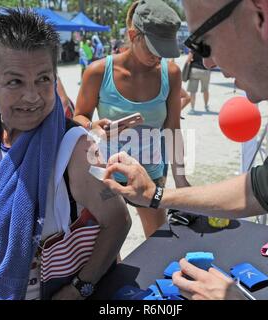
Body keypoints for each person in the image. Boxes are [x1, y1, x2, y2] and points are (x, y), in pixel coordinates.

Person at [102, 0, 268, 300]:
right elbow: (264, 185)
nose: (209, 63)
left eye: (202, 44)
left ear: (260, 14)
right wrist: (158, 196)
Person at [0, 9, 130, 300]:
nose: (33, 96)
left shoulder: (77, 148)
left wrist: (81, 286)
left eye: (43, 79)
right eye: (15, 82)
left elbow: (118, 221)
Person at [74, 0, 190, 239]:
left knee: (158, 243)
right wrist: (92, 126)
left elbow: (173, 129)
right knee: (107, 248)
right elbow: (78, 116)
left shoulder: (171, 73)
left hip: (152, 174)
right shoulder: (97, 71)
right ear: (133, 35)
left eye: (165, 49)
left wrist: (181, 179)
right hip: (106, 174)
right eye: (153, 48)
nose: (159, 56)